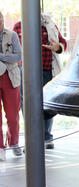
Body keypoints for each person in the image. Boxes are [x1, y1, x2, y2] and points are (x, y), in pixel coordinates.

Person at [13, 12, 67, 149]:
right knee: (27, 105)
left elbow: (63, 43)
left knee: (47, 103)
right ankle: (32, 138)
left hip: (47, 71)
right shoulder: (18, 26)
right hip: (25, 71)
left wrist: (58, 47)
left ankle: (47, 137)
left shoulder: (50, 26)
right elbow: (13, 49)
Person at [0, 11, 22, 161]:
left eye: (0, 19)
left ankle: (14, 143)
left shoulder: (12, 35)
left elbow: (18, 57)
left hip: (10, 78)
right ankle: (0, 147)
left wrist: (1, 57)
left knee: (13, 114)